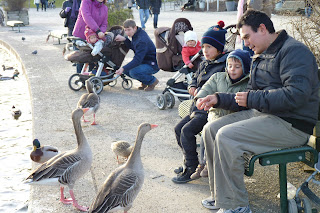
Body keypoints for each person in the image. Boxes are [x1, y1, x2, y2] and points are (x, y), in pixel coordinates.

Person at [197, 10, 319, 213]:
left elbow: (297, 94)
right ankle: (223, 197)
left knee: (227, 137)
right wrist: (219, 98)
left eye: (246, 37)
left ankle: (237, 206)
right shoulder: (262, 54)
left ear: (262, 29)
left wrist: (252, 98)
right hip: (265, 115)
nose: (245, 43)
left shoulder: (294, 51)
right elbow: (249, 95)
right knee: (211, 129)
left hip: (292, 124)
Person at [171, 22, 228, 183]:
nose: (205, 51)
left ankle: (191, 167)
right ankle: (189, 161)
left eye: (209, 47)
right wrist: (192, 85)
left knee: (187, 131)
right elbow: (195, 77)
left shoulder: (223, 66)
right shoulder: (204, 63)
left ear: (219, 48)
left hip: (209, 110)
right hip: (196, 107)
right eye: (203, 47)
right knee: (178, 129)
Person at [190, 49, 251, 180]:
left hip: (233, 120)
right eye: (229, 66)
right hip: (215, 115)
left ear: (245, 67)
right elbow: (206, 89)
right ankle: (204, 163)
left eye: (237, 67)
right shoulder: (218, 77)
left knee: (220, 136)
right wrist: (200, 98)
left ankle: (212, 165)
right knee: (208, 131)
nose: (232, 70)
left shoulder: (248, 83)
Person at [114, 19, 159, 91]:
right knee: (126, 70)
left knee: (133, 72)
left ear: (135, 28)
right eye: (125, 30)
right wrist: (125, 39)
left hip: (152, 64)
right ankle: (144, 81)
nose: (127, 32)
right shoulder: (137, 33)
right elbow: (135, 47)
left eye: (129, 30)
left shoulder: (141, 40)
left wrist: (123, 68)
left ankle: (152, 81)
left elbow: (137, 59)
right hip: (144, 62)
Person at [73, 0, 108, 73]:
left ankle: (91, 79)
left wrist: (101, 33)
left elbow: (104, 23)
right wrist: (97, 31)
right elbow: (87, 16)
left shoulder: (104, 8)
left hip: (94, 38)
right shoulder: (85, 2)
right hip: (81, 35)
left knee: (93, 60)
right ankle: (81, 79)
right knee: (81, 61)